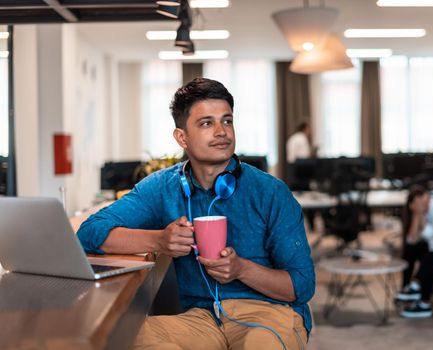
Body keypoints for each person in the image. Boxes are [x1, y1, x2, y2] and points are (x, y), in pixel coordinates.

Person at [77, 78, 315, 349]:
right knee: (126, 336)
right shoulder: (162, 187)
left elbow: (302, 286)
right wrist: (158, 241)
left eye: (227, 121)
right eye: (206, 123)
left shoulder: (271, 192)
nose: (222, 131)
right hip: (201, 318)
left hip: (269, 314)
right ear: (182, 137)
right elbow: (89, 232)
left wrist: (241, 269)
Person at [395, 185, 433, 318]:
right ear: (411, 205)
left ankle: (416, 289)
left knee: (431, 255)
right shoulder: (413, 212)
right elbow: (411, 240)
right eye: (420, 203)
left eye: (426, 202)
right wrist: (416, 215)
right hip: (429, 245)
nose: (425, 205)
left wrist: (420, 216)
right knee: (410, 249)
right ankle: (409, 288)